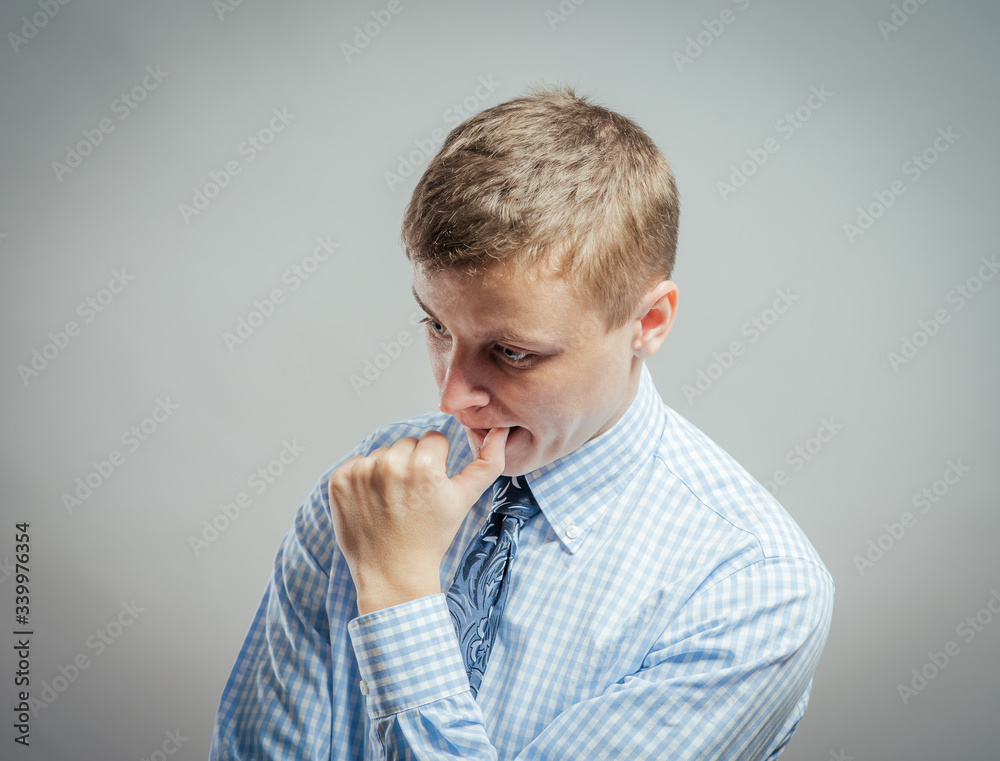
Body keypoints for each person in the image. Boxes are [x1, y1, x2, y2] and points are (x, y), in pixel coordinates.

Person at [210, 84, 835, 760]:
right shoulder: (372, 490)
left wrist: (396, 596)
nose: (453, 398)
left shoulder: (752, 586)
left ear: (648, 323)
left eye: (511, 352)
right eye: (436, 325)